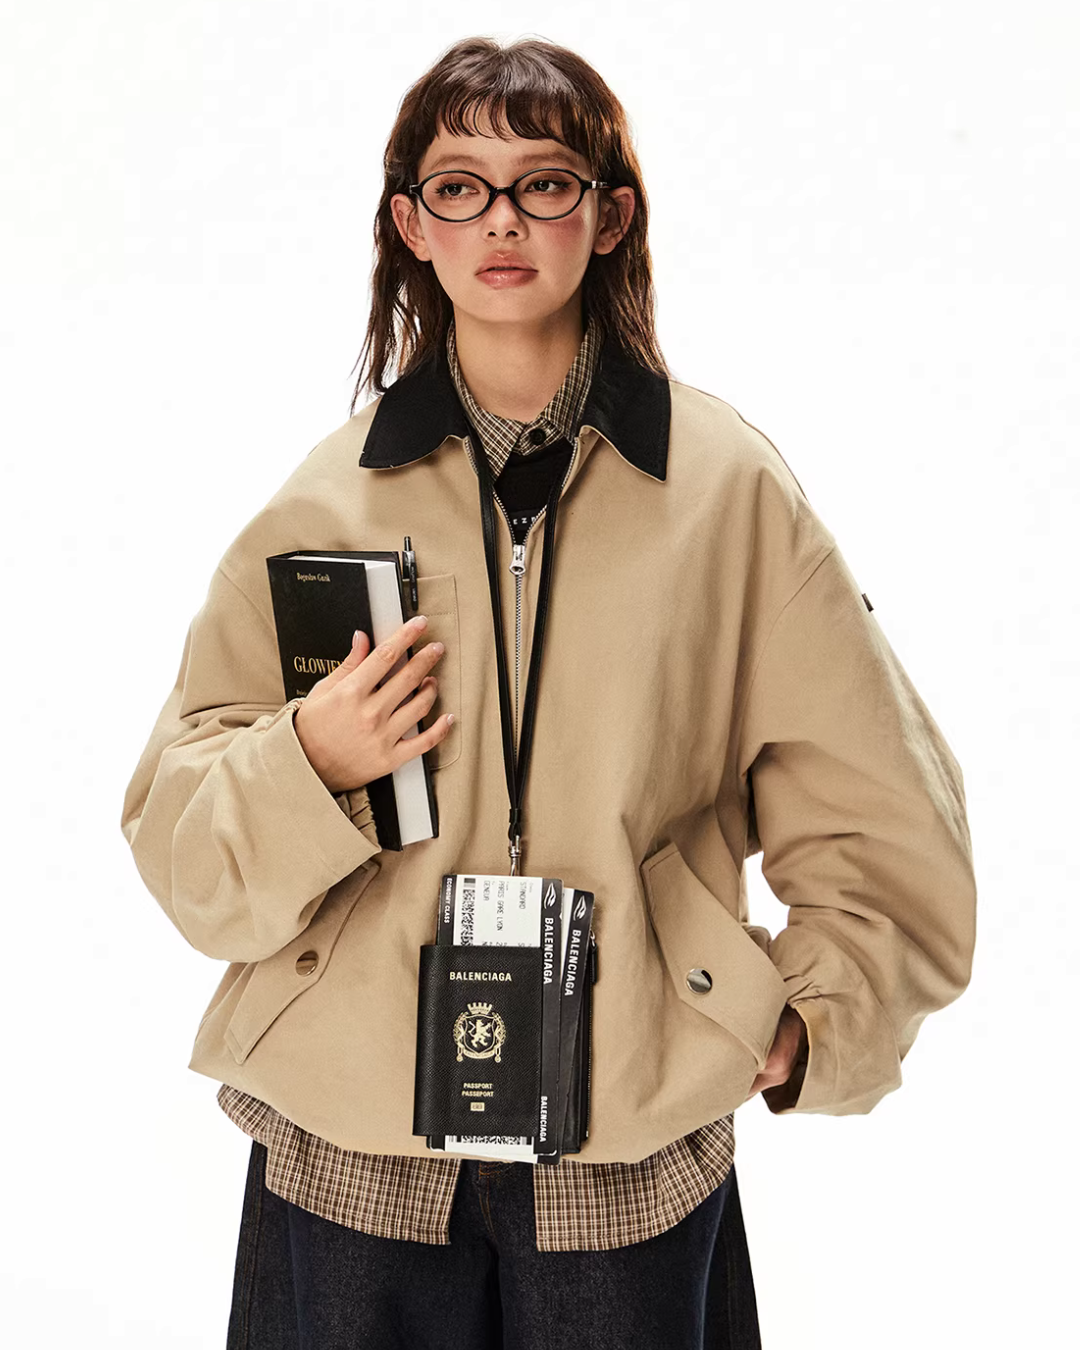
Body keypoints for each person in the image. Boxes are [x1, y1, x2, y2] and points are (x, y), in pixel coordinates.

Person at [119, 34, 977, 1350]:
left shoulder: (728, 496)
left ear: (610, 214)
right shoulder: (326, 500)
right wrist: (310, 759)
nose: (503, 220)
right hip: (349, 1142)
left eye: (546, 183)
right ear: (411, 224)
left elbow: (885, 810)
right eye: (461, 187)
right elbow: (177, 834)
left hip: (625, 1144)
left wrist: (816, 1014)